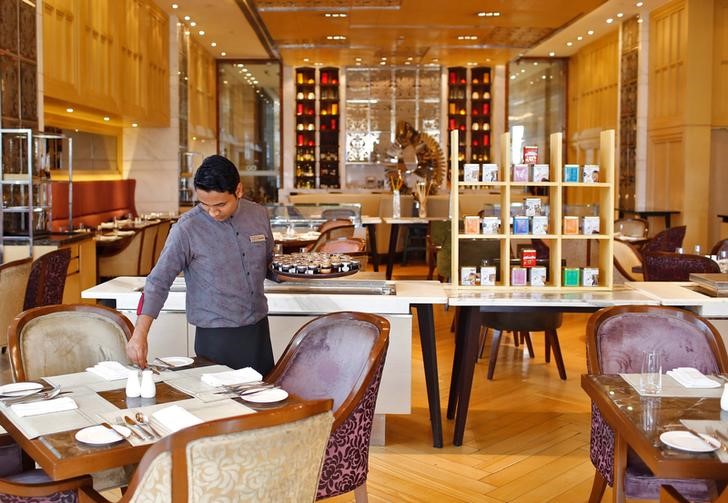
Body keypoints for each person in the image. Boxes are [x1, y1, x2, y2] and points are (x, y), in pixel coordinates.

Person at [126, 155, 275, 374]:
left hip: (258, 331)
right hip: (215, 337)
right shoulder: (186, 229)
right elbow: (158, 282)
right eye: (205, 205)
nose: (213, 213)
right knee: (221, 406)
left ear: (239, 191)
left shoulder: (259, 215)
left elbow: (268, 261)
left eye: (221, 205)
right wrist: (140, 333)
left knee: (264, 401)